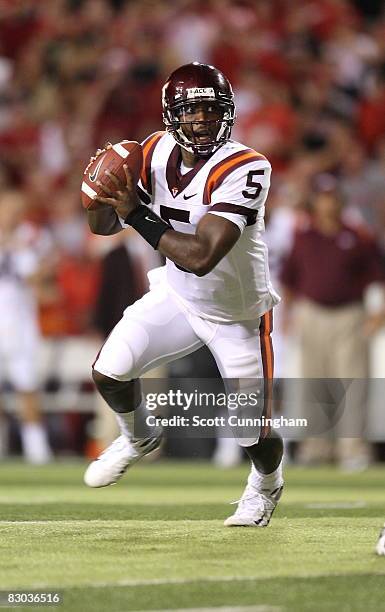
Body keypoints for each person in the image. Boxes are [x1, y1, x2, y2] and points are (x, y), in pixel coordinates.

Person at [83, 62, 283, 527]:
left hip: (237, 315)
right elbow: (103, 227)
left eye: (212, 111)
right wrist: (98, 194)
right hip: (177, 296)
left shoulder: (245, 165)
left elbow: (202, 255)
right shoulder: (152, 151)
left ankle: (267, 485)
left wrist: (134, 212)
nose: (203, 121)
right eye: (192, 111)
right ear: (172, 115)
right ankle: (138, 437)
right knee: (109, 373)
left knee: (251, 432)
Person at [280, 174, 385, 470]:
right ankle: (317, 447)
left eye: (332, 197)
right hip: (312, 312)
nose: (328, 203)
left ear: (341, 201)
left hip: (349, 314)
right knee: (315, 383)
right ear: (316, 201)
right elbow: (290, 279)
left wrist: (378, 312)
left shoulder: (358, 236)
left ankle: (352, 449)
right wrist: (288, 314)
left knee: (352, 383)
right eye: (323, 197)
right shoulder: (303, 236)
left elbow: (378, 276)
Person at [0, 190, 53, 464]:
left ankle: (38, 452)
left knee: (27, 388)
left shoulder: (31, 237)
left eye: (15, 210)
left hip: (20, 325)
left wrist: (21, 252)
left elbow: (40, 279)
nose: (9, 215)